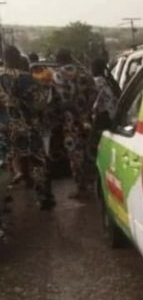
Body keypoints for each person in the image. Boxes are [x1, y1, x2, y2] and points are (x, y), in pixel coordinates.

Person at [0, 45, 55, 210]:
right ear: (17, 58)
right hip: (26, 126)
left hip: (4, 127)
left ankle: (3, 202)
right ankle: (44, 197)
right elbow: (39, 103)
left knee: (6, 162)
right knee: (38, 160)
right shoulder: (24, 78)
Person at [51, 48, 97, 199]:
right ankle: (92, 185)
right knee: (88, 152)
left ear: (58, 59)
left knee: (75, 155)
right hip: (87, 119)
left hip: (70, 122)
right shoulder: (85, 73)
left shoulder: (57, 75)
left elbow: (56, 101)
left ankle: (81, 188)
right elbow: (94, 94)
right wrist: (86, 111)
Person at [90, 58, 119, 158]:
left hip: (103, 116)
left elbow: (95, 103)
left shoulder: (96, 82)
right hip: (114, 115)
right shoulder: (109, 80)